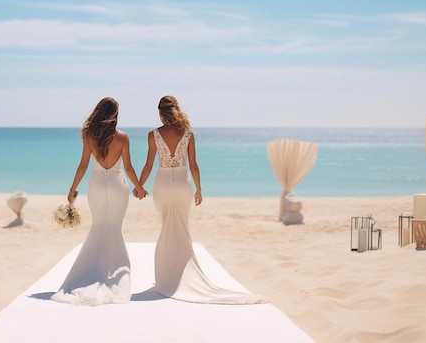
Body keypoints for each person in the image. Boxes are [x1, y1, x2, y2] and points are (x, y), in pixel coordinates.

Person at [136, 95, 266, 304]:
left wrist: (139, 186)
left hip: (161, 183)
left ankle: (166, 277)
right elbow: (194, 165)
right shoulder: (188, 134)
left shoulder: (153, 135)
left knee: (166, 227)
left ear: (160, 113)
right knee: (182, 228)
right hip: (182, 184)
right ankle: (179, 275)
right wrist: (199, 189)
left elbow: (149, 165)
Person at [51, 97, 148, 306]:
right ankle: (111, 274)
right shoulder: (122, 137)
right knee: (114, 227)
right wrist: (139, 187)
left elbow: (83, 165)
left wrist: (72, 188)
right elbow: (129, 168)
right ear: (114, 115)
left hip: (96, 185)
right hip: (116, 185)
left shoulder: (88, 135)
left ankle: (91, 273)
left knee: (98, 226)